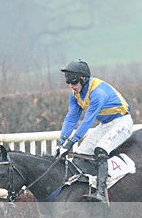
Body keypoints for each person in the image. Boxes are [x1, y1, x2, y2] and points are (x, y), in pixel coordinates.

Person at [56, 60, 133, 202]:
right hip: (105, 124)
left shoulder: (98, 93)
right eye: (69, 83)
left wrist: (71, 142)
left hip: (122, 122)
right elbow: (71, 118)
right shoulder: (75, 95)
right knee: (79, 155)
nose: (71, 86)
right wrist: (61, 140)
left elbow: (87, 120)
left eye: (73, 82)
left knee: (100, 150)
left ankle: (101, 192)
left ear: (83, 79)